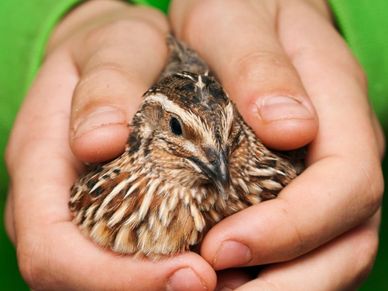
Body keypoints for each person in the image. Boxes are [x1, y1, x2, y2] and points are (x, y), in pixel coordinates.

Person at [1, 0, 385, 290]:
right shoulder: (105, 187)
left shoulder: (274, 173)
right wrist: (68, 21)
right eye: (177, 129)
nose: (216, 159)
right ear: (148, 127)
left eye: (228, 136)